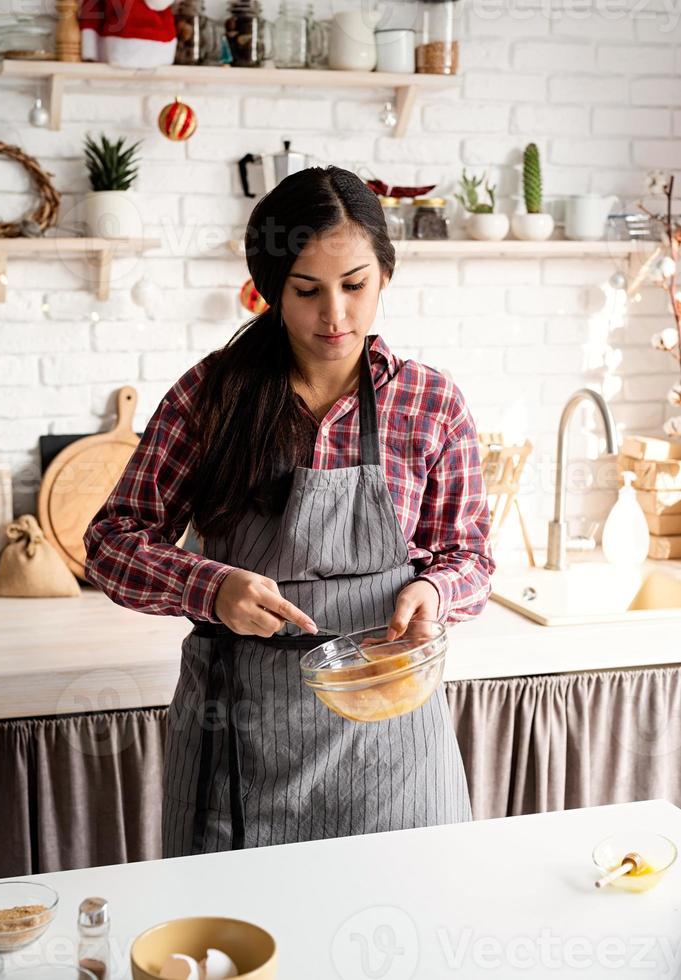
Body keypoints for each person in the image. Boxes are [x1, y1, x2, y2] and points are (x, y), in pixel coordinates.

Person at [84, 165, 495, 858]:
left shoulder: (430, 403)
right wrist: (210, 586)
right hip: (241, 745)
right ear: (270, 290)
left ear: (384, 278)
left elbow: (471, 557)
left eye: (354, 286)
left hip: (394, 748)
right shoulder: (210, 395)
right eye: (306, 291)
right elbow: (110, 543)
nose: (334, 316)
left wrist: (433, 591)